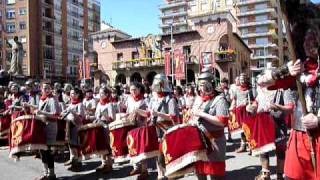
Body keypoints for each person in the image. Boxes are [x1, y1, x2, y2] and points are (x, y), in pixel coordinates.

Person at [257, 2, 320, 179]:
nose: (310, 42)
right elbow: (262, 82)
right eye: (306, 38)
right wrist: (286, 70)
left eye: (313, 37)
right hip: (300, 137)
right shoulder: (298, 68)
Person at [188, 71, 229, 180]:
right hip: (199, 141)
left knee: (215, 174)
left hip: (214, 142)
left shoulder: (219, 100)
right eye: (199, 85)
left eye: (203, 85)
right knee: (200, 172)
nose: (201, 88)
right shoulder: (198, 99)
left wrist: (202, 114)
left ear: (211, 85)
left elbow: (222, 122)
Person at [34, 81, 60, 180]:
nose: (47, 90)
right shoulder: (41, 99)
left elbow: (55, 114)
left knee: (48, 151)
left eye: (48, 88)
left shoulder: (52, 99)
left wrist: (41, 112)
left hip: (51, 126)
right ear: (41, 89)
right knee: (42, 151)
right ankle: (45, 173)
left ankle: (52, 174)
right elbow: (40, 112)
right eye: (45, 88)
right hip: (42, 127)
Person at [62, 88, 84, 171]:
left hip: (76, 127)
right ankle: (73, 160)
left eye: (74, 93)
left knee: (75, 145)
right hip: (69, 126)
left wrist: (74, 113)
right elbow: (65, 112)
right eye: (71, 94)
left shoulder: (80, 104)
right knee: (70, 144)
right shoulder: (70, 104)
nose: (72, 95)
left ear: (78, 95)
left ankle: (78, 163)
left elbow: (81, 118)